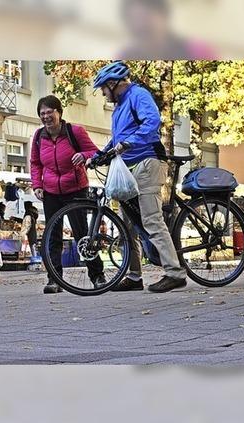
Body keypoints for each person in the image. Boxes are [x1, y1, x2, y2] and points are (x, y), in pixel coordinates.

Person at [89, 60, 187, 293]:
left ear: (113, 83)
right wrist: (101, 154)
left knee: (152, 220)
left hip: (148, 162)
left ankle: (175, 273)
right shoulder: (119, 106)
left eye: (103, 88)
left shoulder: (138, 95)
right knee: (126, 224)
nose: (103, 94)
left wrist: (129, 143)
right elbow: (119, 138)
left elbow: (151, 123)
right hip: (129, 168)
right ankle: (134, 276)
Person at [30, 95, 105, 294]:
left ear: (59, 113)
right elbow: (35, 163)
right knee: (52, 236)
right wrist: (37, 184)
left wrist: (84, 155)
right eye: (42, 113)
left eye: (49, 112)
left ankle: (97, 276)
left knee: (83, 235)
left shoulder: (75, 132)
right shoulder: (38, 137)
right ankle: (54, 279)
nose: (46, 117)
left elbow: (94, 152)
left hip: (75, 189)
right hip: (51, 191)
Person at [120, 0, 216, 60]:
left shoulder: (197, 51)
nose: (139, 25)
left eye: (145, 17)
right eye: (134, 19)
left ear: (164, 16)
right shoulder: (124, 57)